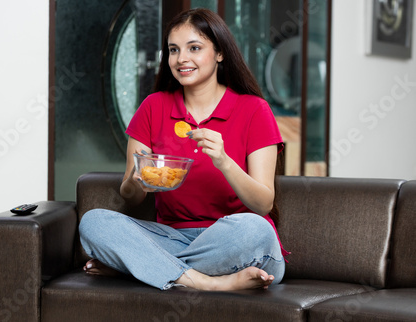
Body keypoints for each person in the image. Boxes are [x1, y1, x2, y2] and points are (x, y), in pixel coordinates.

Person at [79, 8, 289, 291]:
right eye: (173, 50)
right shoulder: (153, 107)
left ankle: (140, 266)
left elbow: (263, 204)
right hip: (173, 236)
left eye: (194, 48)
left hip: (235, 242)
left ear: (219, 53)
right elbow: (130, 196)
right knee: (94, 223)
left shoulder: (254, 110)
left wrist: (225, 161)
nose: (181, 59)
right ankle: (207, 283)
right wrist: (137, 179)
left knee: (255, 229)